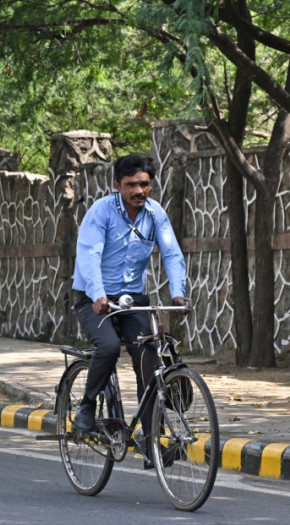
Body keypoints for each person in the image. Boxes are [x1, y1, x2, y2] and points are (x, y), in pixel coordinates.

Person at [71, 154, 191, 464]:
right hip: (94, 298)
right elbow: (89, 256)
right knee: (108, 346)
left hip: (132, 300)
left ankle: (152, 442)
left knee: (150, 359)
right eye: (131, 185)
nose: (139, 190)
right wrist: (97, 294)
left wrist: (178, 294)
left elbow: (172, 255)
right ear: (117, 186)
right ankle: (86, 406)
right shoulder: (101, 213)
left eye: (144, 184)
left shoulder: (155, 214)